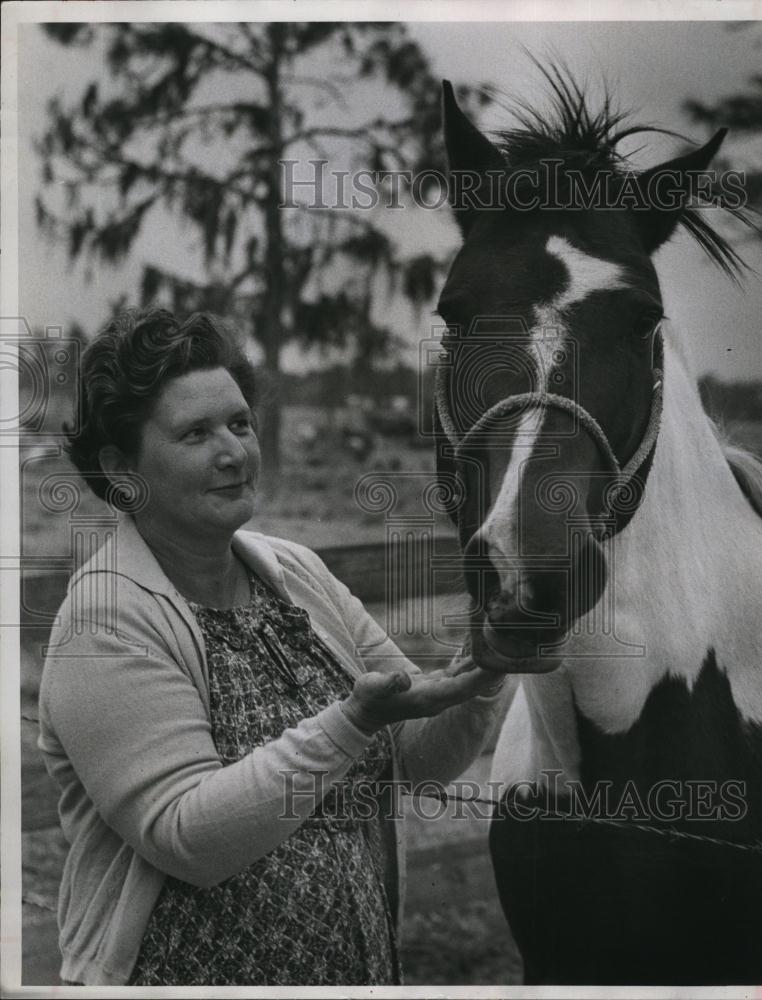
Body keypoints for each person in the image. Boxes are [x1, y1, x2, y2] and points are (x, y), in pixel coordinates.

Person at [38, 307, 506, 987]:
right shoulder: (106, 619)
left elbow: (413, 764)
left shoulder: (295, 573)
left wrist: (481, 675)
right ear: (121, 466)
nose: (234, 451)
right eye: (196, 433)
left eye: (239, 423)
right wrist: (350, 723)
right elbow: (186, 836)